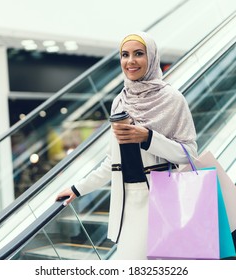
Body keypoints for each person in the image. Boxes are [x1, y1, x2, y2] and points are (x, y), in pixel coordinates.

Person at [56, 31, 198, 260]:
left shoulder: (172, 98)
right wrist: (77, 189)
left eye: (138, 54)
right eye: (125, 54)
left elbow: (189, 153)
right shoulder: (120, 101)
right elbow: (112, 161)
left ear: (151, 57)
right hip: (127, 202)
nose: (130, 61)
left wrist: (148, 137)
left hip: (163, 197)